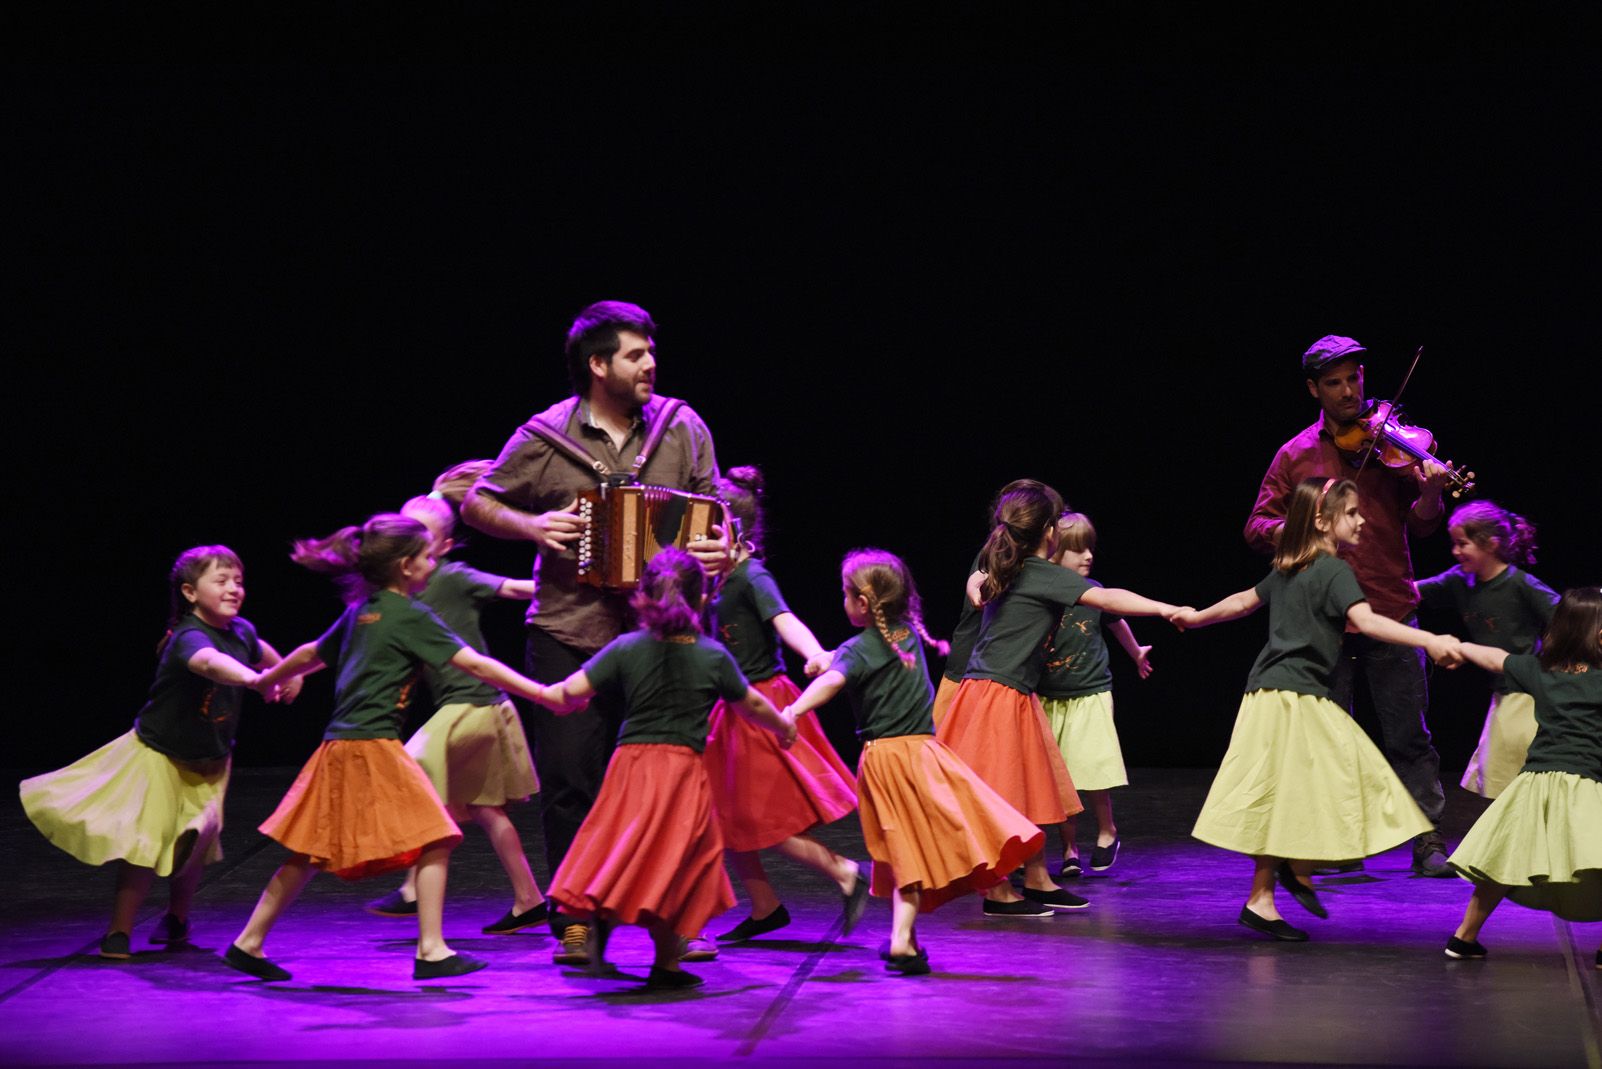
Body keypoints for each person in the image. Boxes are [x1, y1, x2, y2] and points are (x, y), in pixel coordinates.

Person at [461, 300, 730, 965]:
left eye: (651, 352)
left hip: (664, 639)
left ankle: (675, 918)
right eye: (636, 354)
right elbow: (477, 501)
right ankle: (576, 918)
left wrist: (726, 548)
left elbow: (718, 510)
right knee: (570, 780)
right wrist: (531, 526)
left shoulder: (682, 425)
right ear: (598, 364)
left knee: (673, 785)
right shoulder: (545, 435)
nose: (651, 364)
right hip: (570, 626)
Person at [222, 514, 564, 983]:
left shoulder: (363, 611)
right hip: (371, 747)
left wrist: (269, 679)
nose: (433, 564)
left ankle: (248, 941)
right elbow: (477, 665)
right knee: (437, 836)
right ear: (406, 566)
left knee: (309, 850)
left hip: (338, 745)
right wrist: (542, 693)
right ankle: (432, 950)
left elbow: (310, 654)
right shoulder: (408, 615)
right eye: (426, 557)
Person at [1176, 477, 1460, 942]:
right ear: (1323, 522)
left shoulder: (1291, 566)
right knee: (1342, 776)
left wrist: (1195, 617)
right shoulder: (1333, 571)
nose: (1362, 520)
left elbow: (1243, 602)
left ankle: (1278, 884)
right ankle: (1284, 878)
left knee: (1297, 787)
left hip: (1269, 694)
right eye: (1352, 513)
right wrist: (1428, 639)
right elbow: (1366, 622)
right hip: (1295, 696)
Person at [1245, 335, 1459, 876]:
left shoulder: (1394, 445)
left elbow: (1423, 524)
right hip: (1322, 619)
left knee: (1409, 734)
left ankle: (1427, 840)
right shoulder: (1294, 454)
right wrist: (1301, 528)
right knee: (1330, 738)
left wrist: (1431, 492)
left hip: (1389, 605)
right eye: (1334, 383)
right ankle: (1337, 840)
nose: (1348, 392)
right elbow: (1257, 525)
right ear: (1313, 389)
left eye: (1354, 379)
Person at [21, 546, 297, 960]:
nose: (233, 589)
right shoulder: (188, 636)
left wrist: (287, 674)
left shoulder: (241, 631)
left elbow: (263, 651)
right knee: (146, 845)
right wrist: (255, 680)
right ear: (190, 592)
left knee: (194, 847)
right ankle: (119, 930)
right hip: (161, 756)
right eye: (221, 581)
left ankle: (176, 920)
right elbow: (210, 664)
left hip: (212, 761)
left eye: (238, 581)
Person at [543, 549, 797, 990]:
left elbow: (571, 689)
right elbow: (752, 704)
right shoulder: (712, 655)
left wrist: (562, 699)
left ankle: (602, 916)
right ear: (703, 600)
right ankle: (666, 964)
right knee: (681, 864)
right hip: (680, 772)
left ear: (641, 597)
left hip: (630, 767)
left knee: (622, 848)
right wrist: (783, 726)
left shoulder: (626, 647)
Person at [783, 548, 1044, 976]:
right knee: (910, 847)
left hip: (888, 761)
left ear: (862, 603)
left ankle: (902, 939)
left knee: (903, 850)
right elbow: (850, 661)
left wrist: (793, 711)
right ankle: (906, 938)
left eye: (845, 595)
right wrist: (829, 657)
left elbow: (834, 680)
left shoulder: (860, 648)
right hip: (924, 754)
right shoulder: (904, 635)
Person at [941, 479, 1182, 916]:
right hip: (998, 693)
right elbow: (1106, 598)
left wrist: (975, 585)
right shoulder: (1039, 572)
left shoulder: (1008, 564)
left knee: (1033, 786)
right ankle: (996, 890)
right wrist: (1165, 608)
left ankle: (1037, 877)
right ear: (1050, 531)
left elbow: (978, 577)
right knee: (1004, 792)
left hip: (1009, 692)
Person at [364, 462, 550, 935]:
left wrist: (567, 588)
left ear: (443, 547)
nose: (411, 547)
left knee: (410, 769)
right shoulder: (402, 590)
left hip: (473, 702)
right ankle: (529, 899)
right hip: (474, 704)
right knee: (486, 810)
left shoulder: (451, 577)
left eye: (422, 540)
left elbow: (513, 588)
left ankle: (413, 888)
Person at [701, 467, 867, 944]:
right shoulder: (715, 579)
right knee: (725, 814)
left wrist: (815, 652)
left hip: (762, 703)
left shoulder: (752, 575)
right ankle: (765, 907)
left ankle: (844, 872)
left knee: (760, 818)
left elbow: (784, 618)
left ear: (730, 529)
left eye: (706, 531)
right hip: (731, 707)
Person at [1441, 587, 1602, 967]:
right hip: (1586, 783)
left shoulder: (1541, 670)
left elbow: (1496, 658)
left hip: (1535, 783)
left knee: (1504, 861)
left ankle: (1464, 937)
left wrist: (1456, 646)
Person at [1415, 500, 1559, 798]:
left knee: (1510, 772)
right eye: (1454, 544)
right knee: (1498, 771)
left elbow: (1570, 618)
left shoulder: (1521, 584)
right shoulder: (1460, 579)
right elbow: (1412, 591)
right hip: (1502, 690)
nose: (1455, 551)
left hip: (1528, 692)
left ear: (1491, 544)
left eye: (1462, 544)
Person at [1038, 512, 1152, 878]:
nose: (1088, 555)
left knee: (1090, 769)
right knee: (1060, 778)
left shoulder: (1093, 592)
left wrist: (1136, 653)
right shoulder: (1042, 595)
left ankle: (1107, 831)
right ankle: (1068, 849)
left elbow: (1117, 622)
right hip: (1050, 696)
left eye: (1090, 548)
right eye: (1078, 549)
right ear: (1054, 553)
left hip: (1090, 692)